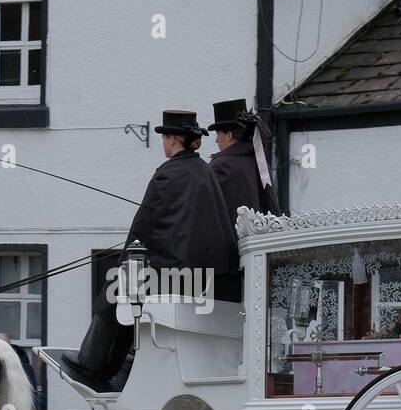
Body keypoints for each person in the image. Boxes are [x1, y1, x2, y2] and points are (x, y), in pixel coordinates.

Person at [62, 109, 238, 392]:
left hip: (175, 279)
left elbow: (142, 230)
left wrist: (124, 265)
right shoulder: (205, 172)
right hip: (205, 280)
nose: (163, 143)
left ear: (172, 139)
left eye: (164, 137)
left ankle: (94, 366)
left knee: (116, 289)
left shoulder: (167, 175)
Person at [207, 98, 281, 228]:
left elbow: (210, 212)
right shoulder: (259, 161)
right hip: (261, 240)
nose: (216, 140)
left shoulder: (220, 166)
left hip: (233, 243)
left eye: (218, 134)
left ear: (229, 135)